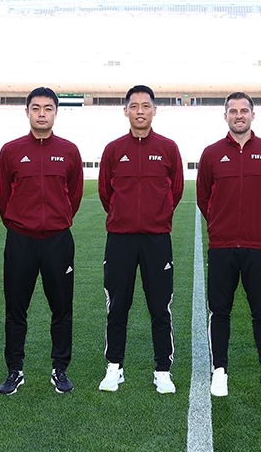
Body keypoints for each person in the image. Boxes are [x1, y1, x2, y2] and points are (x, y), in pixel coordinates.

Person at [0, 86, 83, 395]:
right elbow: (2, 194)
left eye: (48, 108)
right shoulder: (11, 150)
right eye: (36, 108)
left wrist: (57, 220)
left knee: (62, 308)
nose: (42, 113)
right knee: (16, 308)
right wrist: (19, 223)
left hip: (58, 241)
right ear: (28, 112)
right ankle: (14, 370)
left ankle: (60, 369)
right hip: (20, 240)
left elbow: (75, 194)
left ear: (56, 112)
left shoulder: (70, 151)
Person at [197, 91, 261, 398]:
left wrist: (260, 222)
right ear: (225, 116)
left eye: (244, 110)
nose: (238, 115)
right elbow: (204, 198)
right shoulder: (211, 154)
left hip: (258, 245)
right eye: (232, 110)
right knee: (219, 311)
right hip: (222, 246)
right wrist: (219, 227)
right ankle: (219, 370)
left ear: (252, 115)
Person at [98, 85, 184, 394]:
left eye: (145, 106)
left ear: (154, 110)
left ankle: (162, 369)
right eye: (133, 106)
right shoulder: (113, 149)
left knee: (159, 307)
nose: (139, 111)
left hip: (156, 239)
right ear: (125, 111)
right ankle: (114, 367)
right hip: (120, 239)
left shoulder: (168, 148)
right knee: (117, 305)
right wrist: (124, 217)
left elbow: (175, 190)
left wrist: (155, 216)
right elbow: (106, 194)